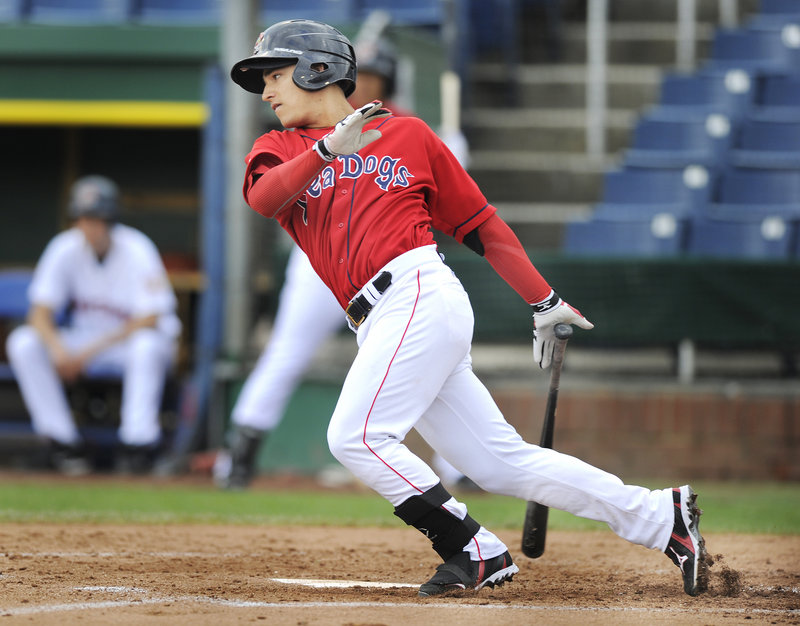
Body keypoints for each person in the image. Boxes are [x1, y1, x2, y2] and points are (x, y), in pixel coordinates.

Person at [229, 19, 708, 598]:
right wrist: (329, 149)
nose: (266, 90)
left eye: (275, 75)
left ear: (318, 70)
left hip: (418, 292)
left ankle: (470, 548)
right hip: (381, 318)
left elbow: (481, 225)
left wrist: (544, 299)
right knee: (499, 464)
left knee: (355, 435)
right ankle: (662, 517)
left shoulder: (407, 135)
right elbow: (263, 198)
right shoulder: (278, 149)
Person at [215, 33, 472, 491]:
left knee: (430, 363)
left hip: (392, 264)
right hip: (321, 262)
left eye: (377, 76)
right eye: (364, 74)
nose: (368, 83)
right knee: (288, 351)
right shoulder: (300, 132)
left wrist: (454, 149)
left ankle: (460, 470)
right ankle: (241, 452)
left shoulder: (409, 128)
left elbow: (447, 199)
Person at [6, 175, 181, 476]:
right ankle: (61, 442)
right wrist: (59, 351)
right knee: (23, 342)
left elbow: (151, 318)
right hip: (85, 341)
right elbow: (39, 313)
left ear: (111, 219)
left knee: (147, 346)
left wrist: (84, 354)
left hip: (124, 343)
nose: (90, 226)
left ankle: (138, 445)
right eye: (85, 218)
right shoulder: (64, 247)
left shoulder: (137, 247)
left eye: (98, 218)